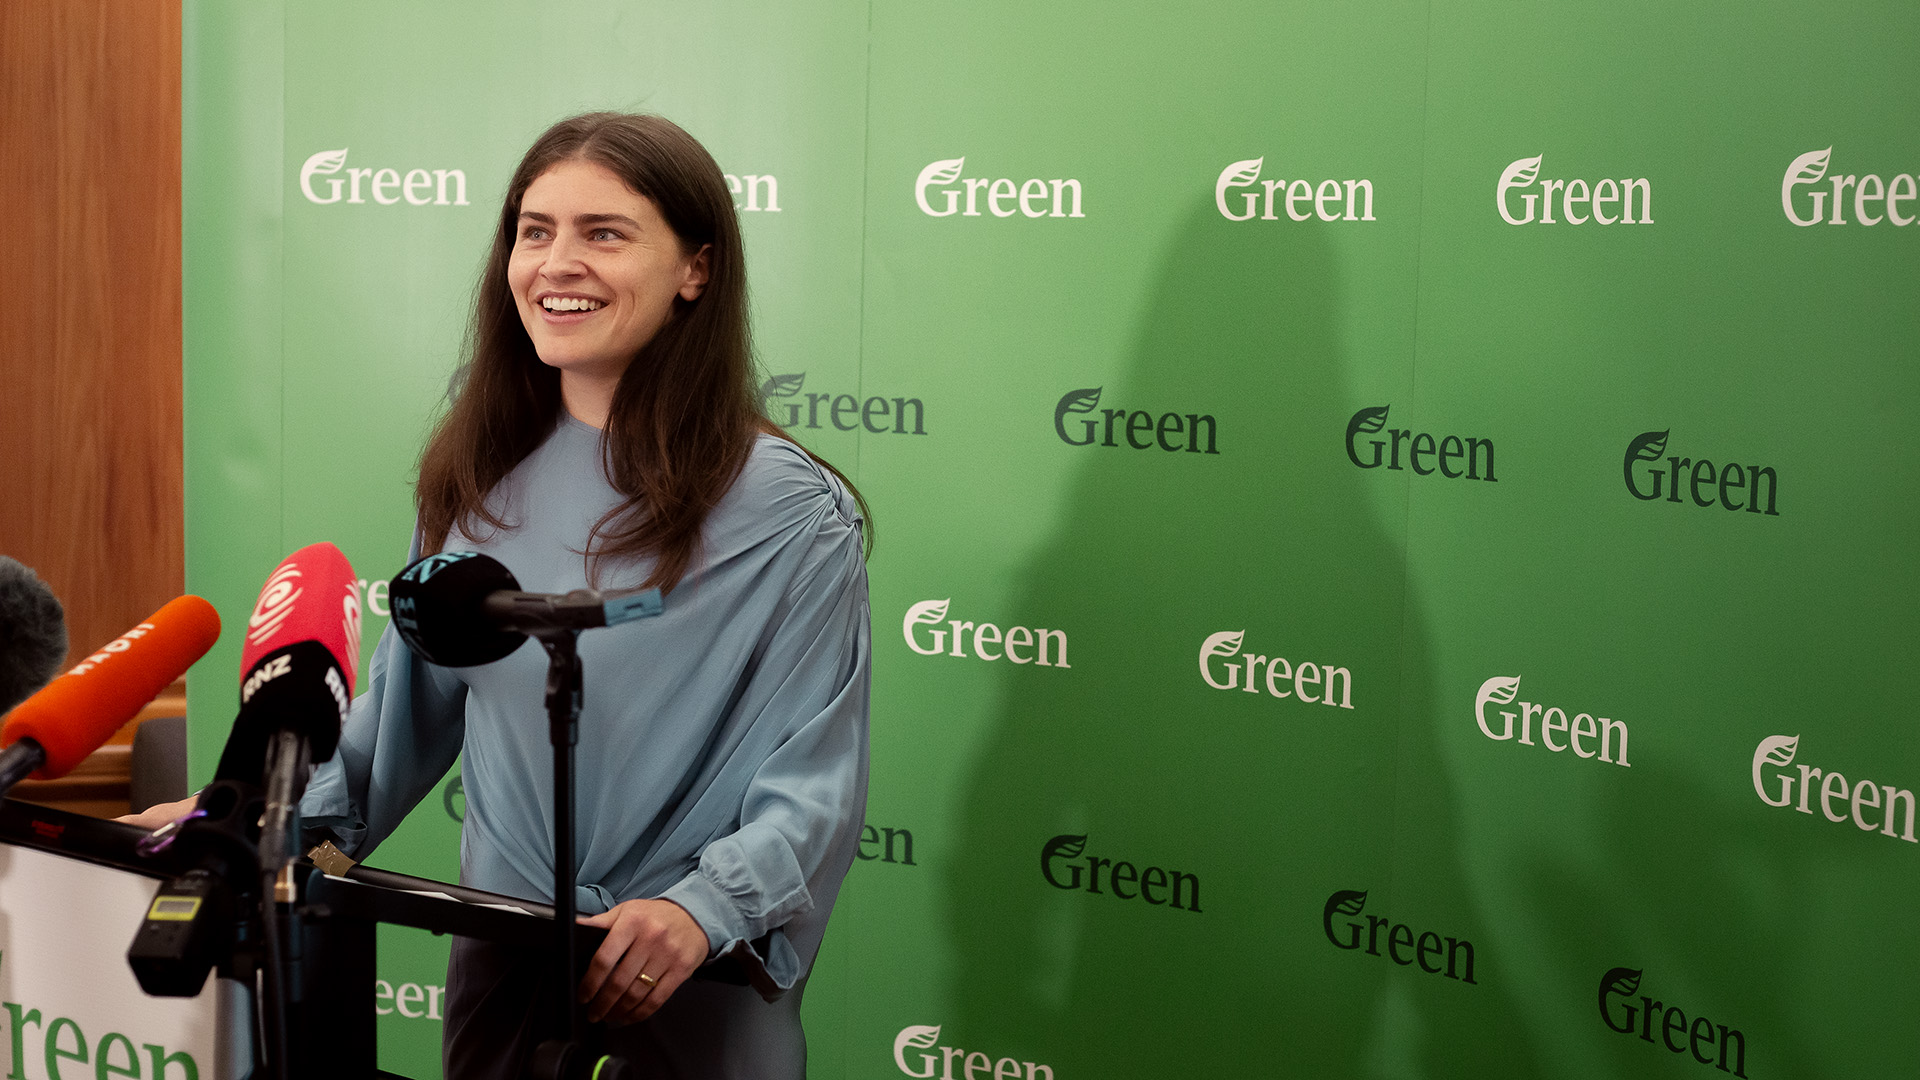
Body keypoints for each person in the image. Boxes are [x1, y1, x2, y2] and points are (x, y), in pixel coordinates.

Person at [127, 112, 871, 1079]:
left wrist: (703, 908)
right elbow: (397, 721)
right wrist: (246, 823)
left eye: (604, 232)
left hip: (690, 971)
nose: (557, 262)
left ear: (697, 268)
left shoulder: (790, 510)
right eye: (534, 229)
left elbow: (814, 776)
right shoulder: (479, 475)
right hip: (501, 948)